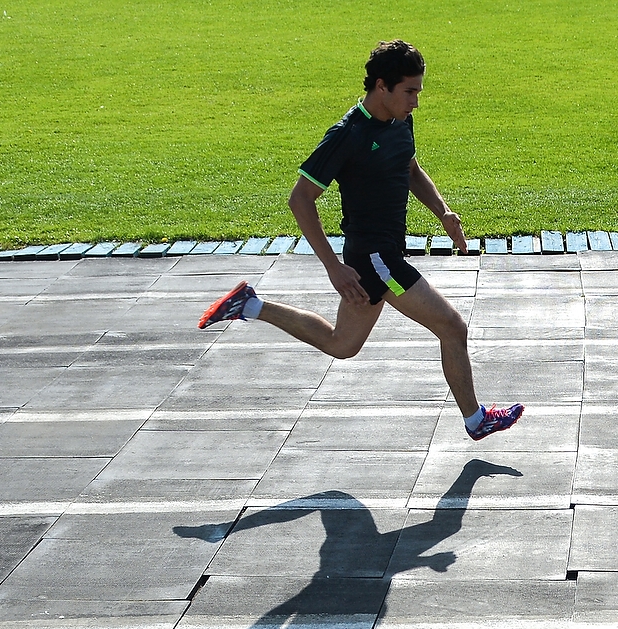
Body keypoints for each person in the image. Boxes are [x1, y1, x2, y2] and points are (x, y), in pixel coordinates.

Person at [199, 39, 523, 441]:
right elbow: (300, 198)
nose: (416, 102)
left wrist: (444, 213)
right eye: (410, 92)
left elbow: (409, 168)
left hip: (377, 258)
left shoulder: (400, 120)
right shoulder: (347, 134)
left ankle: (250, 304)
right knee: (453, 328)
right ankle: (476, 420)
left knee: (342, 344)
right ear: (382, 86)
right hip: (374, 258)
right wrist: (333, 266)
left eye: (419, 91)